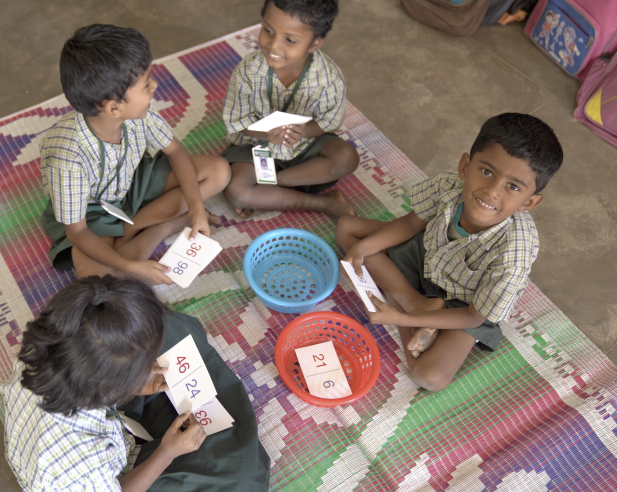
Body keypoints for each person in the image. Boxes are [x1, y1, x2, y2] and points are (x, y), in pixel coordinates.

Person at [336, 113, 563, 392]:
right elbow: (410, 224)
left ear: (529, 202)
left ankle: (407, 304)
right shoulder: (448, 186)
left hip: (464, 303)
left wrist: (402, 319)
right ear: (465, 166)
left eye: (512, 187)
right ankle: (417, 303)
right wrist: (362, 247)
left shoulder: (513, 256)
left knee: (429, 377)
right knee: (348, 230)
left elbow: (473, 317)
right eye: (487, 172)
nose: (492, 191)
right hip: (426, 258)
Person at [0, 275, 270, 491]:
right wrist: (167, 452)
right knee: (240, 478)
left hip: (98, 412)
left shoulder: (43, 348)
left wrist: (135, 385)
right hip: (106, 480)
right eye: (137, 370)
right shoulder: (83, 463)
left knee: (169, 331)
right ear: (110, 385)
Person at [40, 25, 231, 285]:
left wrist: (197, 209)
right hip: (92, 210)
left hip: (133, 183)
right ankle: (162, 227)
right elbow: (77, 231)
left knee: (219, 171)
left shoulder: (138, 113)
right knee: (100, 279)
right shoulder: (67, 158)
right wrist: (131, 266)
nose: (155, 85)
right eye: (146, 83)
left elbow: (174, 150)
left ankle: (139, 228)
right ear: (114, 107)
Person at [221, 0, 359, 219]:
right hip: (256, 145)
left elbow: (328, 122)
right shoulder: (247, 72)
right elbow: (238, 121)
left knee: (346, 157)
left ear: (315, 43)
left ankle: (269, 185)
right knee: (236, 191)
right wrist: (265, 133)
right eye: (267, 30)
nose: (274, 45)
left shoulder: (328, 78)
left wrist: (303, 131)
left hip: (305, 146)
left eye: (290, 40)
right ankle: (323, 202)